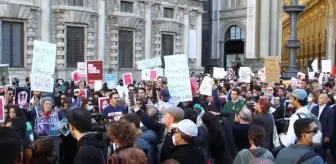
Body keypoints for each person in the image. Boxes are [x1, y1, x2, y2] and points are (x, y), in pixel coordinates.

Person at [311, 93, 335, 161]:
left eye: (321, 98)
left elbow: (331, 124)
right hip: (314, 132)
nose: (319, 99)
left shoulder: (329, 110)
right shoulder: (314, 108)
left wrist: (328, 135)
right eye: (319, 98)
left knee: (322, 152)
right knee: (313, 151)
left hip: (323, 133)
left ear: (326, 100)